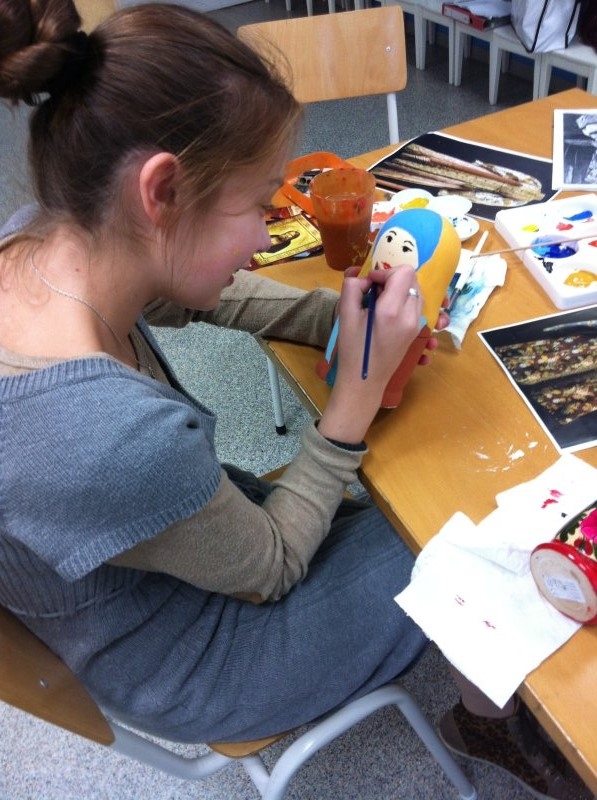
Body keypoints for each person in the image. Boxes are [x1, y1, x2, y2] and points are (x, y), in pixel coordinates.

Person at [0, 3, 589, 798]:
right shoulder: (102, 436)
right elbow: (270, 568)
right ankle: (489, 722)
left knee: (430, 491)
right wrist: (355, 394)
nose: (267, 236)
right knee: (482, 520)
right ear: (162, 191)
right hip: (204, 655)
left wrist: (332, 321)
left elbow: (197, 299)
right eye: (258, 205)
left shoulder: (47, 243)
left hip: (190, 551)